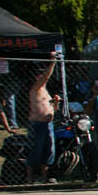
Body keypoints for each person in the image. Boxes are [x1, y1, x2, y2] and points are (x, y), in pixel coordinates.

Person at [26, 55, 60, 184]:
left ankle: (44, 178)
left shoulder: (45, 92)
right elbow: (46, 76)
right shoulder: (35, 89)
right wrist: (53, 62)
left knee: (49, 151)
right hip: (37, 124)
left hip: (49, 124)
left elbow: (53, 110)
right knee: (36, 150)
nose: (41, 76)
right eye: (39, 75)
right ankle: (29, 178)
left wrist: (56, 103)